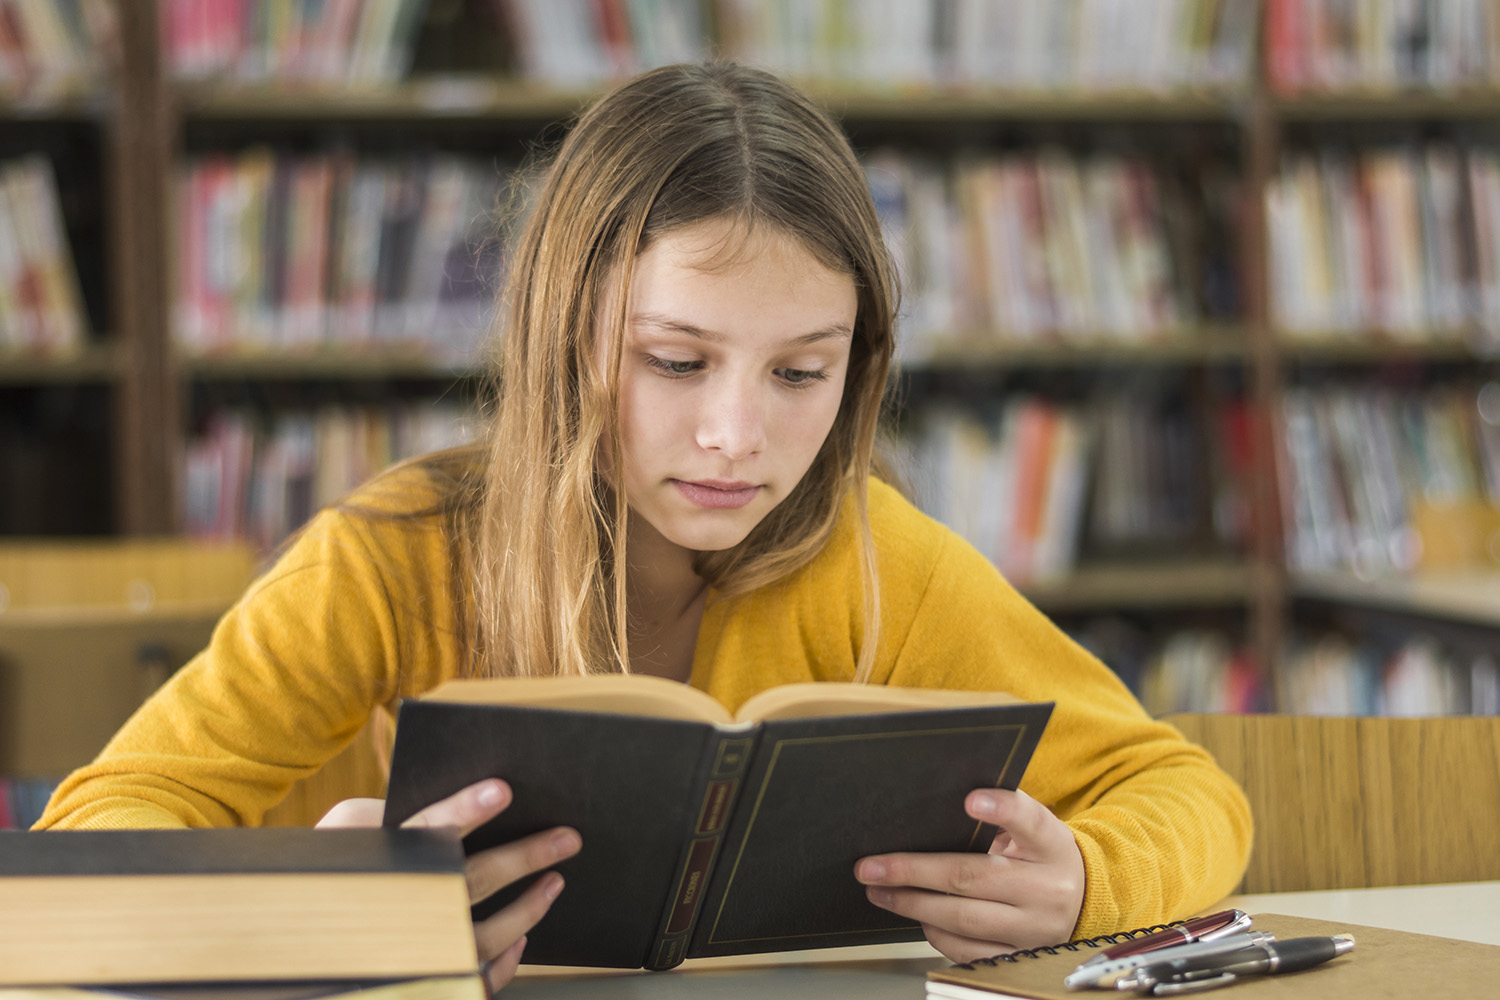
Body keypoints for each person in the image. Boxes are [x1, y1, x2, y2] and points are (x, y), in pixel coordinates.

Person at [37, 62, 1252, 992]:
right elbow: (81, 846)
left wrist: (1089, 878)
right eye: (675, 360)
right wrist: (313, 903)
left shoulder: (877, 554)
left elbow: (1180, 788)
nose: (738, 436)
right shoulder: (392, 555)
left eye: (800, 373)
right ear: (569, 335)